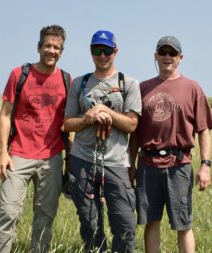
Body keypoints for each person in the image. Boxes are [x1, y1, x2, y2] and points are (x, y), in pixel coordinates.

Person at [0, 24, 71, 253]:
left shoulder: (66, 79)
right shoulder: (20, 74)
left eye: (57, 47)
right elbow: (5, 115)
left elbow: (68, 122)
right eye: (47, 46)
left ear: (61, 51)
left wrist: (69, 159)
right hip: (18, 155)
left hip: (52, 157)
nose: (51, 51)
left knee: (45, 217)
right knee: (8, 213)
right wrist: (2, 152)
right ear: (39, 47)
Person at [129, 35, 212, 253]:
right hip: (148, 164)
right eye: (163, 52)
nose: (167, 57)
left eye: (172, 53)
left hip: (179, 164)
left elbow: (203, 130)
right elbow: (135, 133)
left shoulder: (192, 88)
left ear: (180, 57)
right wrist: (131, 165)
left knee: (183, 224)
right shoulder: (143, 88)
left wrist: (206, 165)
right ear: (155, 56)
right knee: (151, 221)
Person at [64, 30, 141, 253]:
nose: (102, 55)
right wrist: (88, 118)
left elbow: (132, 125)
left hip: (116, 162)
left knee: (125, 224)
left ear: (115, 52)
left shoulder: (129, 84)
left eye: (107, 50)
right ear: (91, 52)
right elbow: (68, 123)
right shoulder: (80, 83)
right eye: (97, 50)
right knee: (89, 222)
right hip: (83, 158)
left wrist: (107, 112)